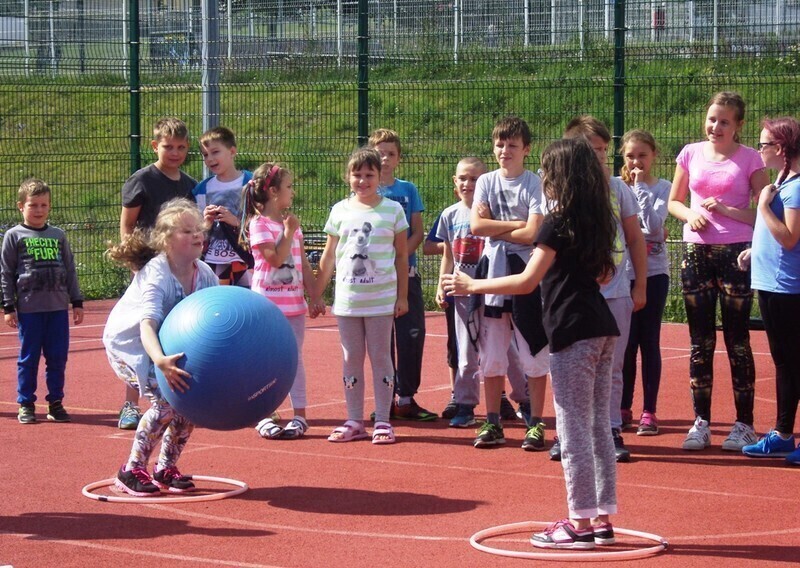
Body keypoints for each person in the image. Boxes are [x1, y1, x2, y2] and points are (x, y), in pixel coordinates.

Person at [443, 137, 621, 550]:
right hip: (601, 326)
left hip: (573, 332)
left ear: (560, 176)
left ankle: (579, 522)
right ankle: (602, 518)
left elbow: (526, 282)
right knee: (596, 427)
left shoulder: (557, 223)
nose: (542, 177)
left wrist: (474, 282)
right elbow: (605, 276)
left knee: (575, 429)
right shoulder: (594, 218)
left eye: (546, 170)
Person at [668, 91, 769, 451]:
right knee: (700, 341)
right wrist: (690, 214)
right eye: (712, 119)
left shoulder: (751, 159)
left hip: (736, 253)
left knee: (738, 341)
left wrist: (726, 210)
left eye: (724, 121)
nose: (715, 126)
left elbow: (762, 214)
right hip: (696, 253)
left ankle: (744, 424)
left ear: (738, 125)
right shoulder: (690, 153)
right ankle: (702, 422)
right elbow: (674, 202)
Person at [103, 198, 218, 496]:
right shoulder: (157, 271)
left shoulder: (204, 273)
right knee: (166, 401)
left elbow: (217, 315)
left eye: (198, 229)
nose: (196, 235)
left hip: (169, 345)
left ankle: (165, 467)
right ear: (167, 239)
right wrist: (160, 361)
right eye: (186, 231)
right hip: (134, 345)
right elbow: (146, 325)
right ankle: (131, 469)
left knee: (189, 401)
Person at [550, 116, 647, 463]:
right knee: (568, 367)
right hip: (573, 296)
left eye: (605, 150)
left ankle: (609, 429)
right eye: (593, 151)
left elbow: (634, 238)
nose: (601, 157)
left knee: (613, 365)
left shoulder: (618, 189)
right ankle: (567, 433)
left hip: (615, 291)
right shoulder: (556, 193)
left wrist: (639, 285)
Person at [316, 147, 409, 445]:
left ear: (379, 176)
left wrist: (402, 296)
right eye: (357, 175)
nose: (362, 180)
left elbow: (402, 258)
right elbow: (329, 256)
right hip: (348, 301)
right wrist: (316, 294)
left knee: (381, 356)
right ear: (348, 177)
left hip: (381, 300)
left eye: (369, 175)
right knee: (350, 358)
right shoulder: (339, 210)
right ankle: (354, 419)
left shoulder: (393, 210)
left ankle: (382, 419)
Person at [469, 116, 550, 451]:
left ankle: (536, 423)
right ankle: (492, 421)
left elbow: (533, 233)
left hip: (525, 270)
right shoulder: (486, 181)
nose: (504, 150)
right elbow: (476, 226)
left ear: (526, 150)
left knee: (533, 347)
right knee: (491, 353)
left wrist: (496, 225)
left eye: (512, 145)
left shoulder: (535, 183)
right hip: (492, 271)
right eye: (500, 144)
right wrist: (515, 223)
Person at [117, 117, 197, 431]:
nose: (174, 152)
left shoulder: (190, 185)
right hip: (149, 268)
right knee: (144, 334)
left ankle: (177, 399)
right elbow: (127, 225)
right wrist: (135, 262)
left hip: (178, 268)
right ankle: (129, 404)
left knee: (177, 330)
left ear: (187, 148)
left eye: (180, 147)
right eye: (167, 147)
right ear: (155, 146)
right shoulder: (142, 180)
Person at [240, 162, 324, 440]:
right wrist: (288, 233)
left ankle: (300, 415)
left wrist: (315, 295)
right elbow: (274, 259)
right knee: (265, 361)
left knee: (294, 360)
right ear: (274, 192)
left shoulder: (293, 227)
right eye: (288, 187)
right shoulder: (259, 224)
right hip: (266, 306)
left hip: (293, 307)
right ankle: (262, 414)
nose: (293, 192)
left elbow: (301, 267)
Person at [739, 117, 800, 465]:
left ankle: (784, 433)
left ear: (779, 149)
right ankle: (782, 434)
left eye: (763, 144)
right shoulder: (783, 181)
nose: (759, 149)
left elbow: (790, 237)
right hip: (771, 284)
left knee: (793, 363)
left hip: (788, 289)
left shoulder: (796, 188)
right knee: (784, 363)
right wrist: (755, 250)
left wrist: (762, 206)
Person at [2, 178, 84, 424]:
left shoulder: (58, 235)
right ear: (21, 206)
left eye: (43, 205)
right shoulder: (14, 235)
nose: (38, 210)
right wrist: (8, 305)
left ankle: (55, 402)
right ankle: (26, 403)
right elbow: (5, 272)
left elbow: (70, 270)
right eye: (33, 205)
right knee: (28, 358)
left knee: (58, 358)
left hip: (57, 309)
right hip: (29, 309)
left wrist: (76, 301)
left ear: (49, 206)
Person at [369, 128, 436, 421]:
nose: (384, 158)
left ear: (399, 158)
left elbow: (418, 231)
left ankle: (407, 398)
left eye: (391, 154)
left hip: (406, 274)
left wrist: (398, 259)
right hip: (377, 278)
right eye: (379, 153)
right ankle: (385, 400)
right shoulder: (365, 192)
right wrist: (385, 264)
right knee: (382, 340)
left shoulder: (408, 190)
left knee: (411, 334)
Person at [618, 130, 672, 436]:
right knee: (625, 344)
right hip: (623, 275)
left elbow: (652, 227)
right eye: (630, 156)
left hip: (654, 275)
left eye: (642, 155)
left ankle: (649, 411)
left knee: (649, 342)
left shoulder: (662, 187)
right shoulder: (617, 187)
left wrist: (639, 187)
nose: (636, 161)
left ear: (654, 155)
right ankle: (623, 406)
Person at [194, 126, 253, 287]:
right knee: (219, 304)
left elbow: (263, 221)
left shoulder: (251, 183)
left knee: (248, 305)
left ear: (232, 152)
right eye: (205, 155)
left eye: (215, 152)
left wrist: (235, 221)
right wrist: (206, 223)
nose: (210, 159)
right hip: (215, 260)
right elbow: (197, 232)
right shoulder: (201, 190)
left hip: (246, 258)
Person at [422, 213, 460, 419]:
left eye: (475, 179)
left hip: (486, 288)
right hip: (456, 290)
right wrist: (455, 243)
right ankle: (456, 395)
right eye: (464, 179)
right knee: (455, 345)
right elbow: (428, 246)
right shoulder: (450, 214)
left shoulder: (492, 210)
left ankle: (500, 397)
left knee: (493, 347)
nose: (469, 185)